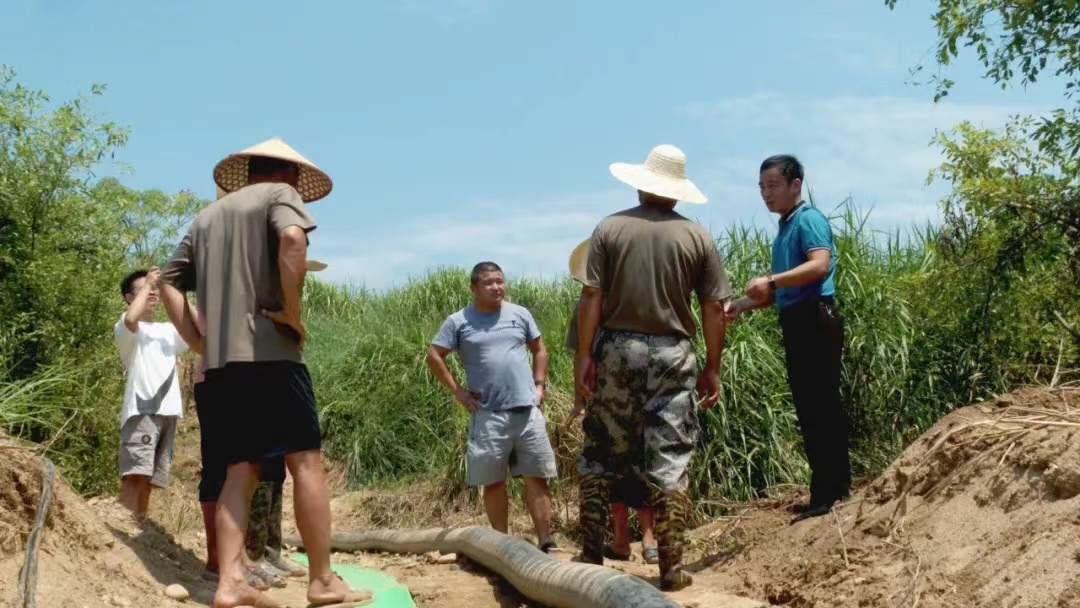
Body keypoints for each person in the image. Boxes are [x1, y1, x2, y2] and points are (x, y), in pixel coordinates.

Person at [159, 137, 370, 608]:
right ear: (291, 175)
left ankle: (229, 581)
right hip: (272, 356)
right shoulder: (280, 195)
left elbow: (168, 280)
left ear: (248, 170)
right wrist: (292, 315)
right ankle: (323, 581)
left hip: (221, 367)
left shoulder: (206, 217)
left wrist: (197, 339)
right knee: (307, 462)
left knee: (239, 470)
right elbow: (293, 240)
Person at [574, 144, 732, 591]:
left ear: (642, 182)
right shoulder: (696, 236)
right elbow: (714, 307)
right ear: (679, 191)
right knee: (670, 459)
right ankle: (671, 568)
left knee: (601, 452)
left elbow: (591, 297)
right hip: (672, 354)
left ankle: (590, 556)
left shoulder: (609, 228)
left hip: (617, 349)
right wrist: (713, 366)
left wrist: (585, 355)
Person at [724, 154, 850, 521]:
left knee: (822, 406)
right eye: (761, 187)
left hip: (817, 317)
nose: (766, 194)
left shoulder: (808, 219)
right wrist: (742, 305)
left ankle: (833, 492)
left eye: (773, 186)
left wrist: (772, 281)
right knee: (809, 409)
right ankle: (823, 491)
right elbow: (781, 293)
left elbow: (819, 264)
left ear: (796, 185)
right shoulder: (784, 228)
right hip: (797, 319)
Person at [425, 261, 559, 553]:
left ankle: (546, 540)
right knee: (493, 481)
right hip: (487, 415)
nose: (497, 287)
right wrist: (458, 392)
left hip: (527, 412)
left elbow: (540, 349)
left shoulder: (520, 314)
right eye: (489, 282)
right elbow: (434, 356)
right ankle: (503, 544)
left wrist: (539, 385)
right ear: (474, 288)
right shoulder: (459, 321)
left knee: (537, 476)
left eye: (500, 281)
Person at [565, 238, 658, 565]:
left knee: (614, 464)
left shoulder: (589, 301)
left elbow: (582, 355)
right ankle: (639, 540)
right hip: (636, 393)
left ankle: (630, 539)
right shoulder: (633, 297)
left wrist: (581, 398)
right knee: (637, 463)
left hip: (610, 397)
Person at [113, 267, 188, 518]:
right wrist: (149, 284)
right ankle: (124, 527)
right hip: (142, 410)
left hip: (168, 413)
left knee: (150, 481)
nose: (152, 292)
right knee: (135, 475)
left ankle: (140, 531)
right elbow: (131, 320)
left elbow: (198, 328)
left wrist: (175, 291)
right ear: (129, 297)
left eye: (154, 287)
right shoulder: (126, 328)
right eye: (144, 288)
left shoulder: (168, 330)